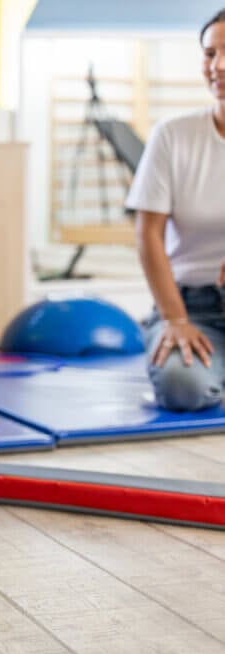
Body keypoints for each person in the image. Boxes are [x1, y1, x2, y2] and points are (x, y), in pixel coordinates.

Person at [130, 9, 225, 411]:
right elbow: (148, 234)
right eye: (209, 54)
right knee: (183, 386)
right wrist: (175, 318)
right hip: (192, 305)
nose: (217, 66)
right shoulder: (173, 136)